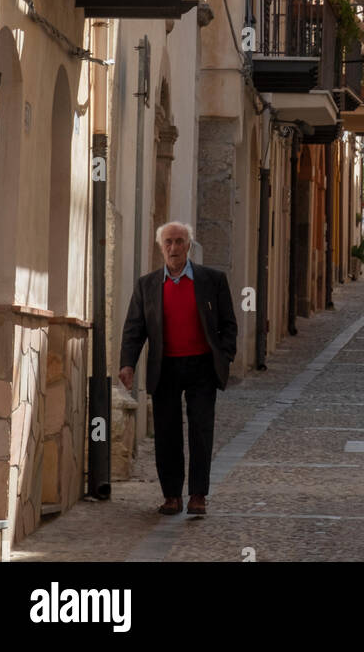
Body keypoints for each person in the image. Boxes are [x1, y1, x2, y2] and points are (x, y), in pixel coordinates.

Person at [119, 221, 238, 518]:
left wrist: (223, 357)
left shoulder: (212, 280)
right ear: (161, 247)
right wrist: (127, 363)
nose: (174, 248)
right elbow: (135, 327)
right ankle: (171, 496)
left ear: (189, 245)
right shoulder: (147, 285)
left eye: (180, 242)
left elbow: (228, 324)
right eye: (169, 242)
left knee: (201, 431)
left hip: (201, 367)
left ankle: (198, 495)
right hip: (166, 366)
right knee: (167, 433)